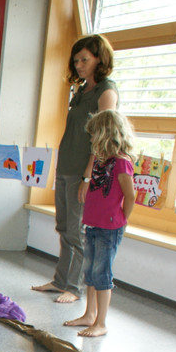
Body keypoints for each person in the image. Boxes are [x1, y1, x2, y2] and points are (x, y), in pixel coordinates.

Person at [33, 34, 118, 303]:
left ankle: (74, 287)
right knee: (63, 227)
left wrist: (87, 176)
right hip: (66, 166)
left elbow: (102, 139)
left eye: (85, 60)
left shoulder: (106, 91)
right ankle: (60, 281)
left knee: (77, 231)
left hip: (84, 172)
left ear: (99, 59)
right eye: (76, 60)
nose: (79, 65)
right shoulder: (81, 91)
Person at [63, 110, 135, 337]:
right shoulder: (100, 160)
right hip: (93, 224)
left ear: (106, 133)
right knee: (90, 272)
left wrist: (121, 219)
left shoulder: (122, 163)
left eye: (94, 134)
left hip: (109, 228)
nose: (92, 138)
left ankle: (101, 323)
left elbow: (130, 196)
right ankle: (89, 314)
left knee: (102, 274)